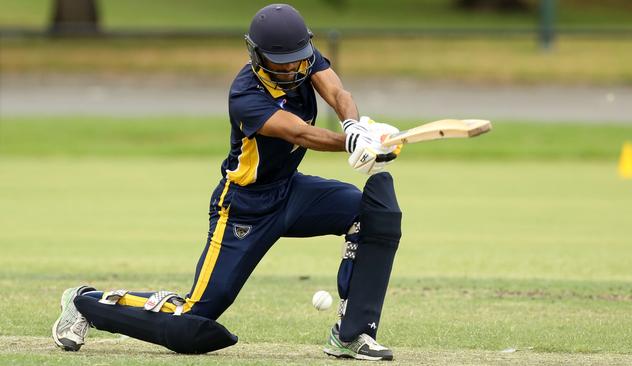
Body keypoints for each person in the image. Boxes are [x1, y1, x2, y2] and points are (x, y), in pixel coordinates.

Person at [52, 4, 403, 361]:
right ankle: (85, 303)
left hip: (291, 191)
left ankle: (352, 333)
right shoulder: (246, 96)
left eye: (299, 59)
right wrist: (353, 143)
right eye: (281, 62)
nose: (293, 69)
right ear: (257, 55)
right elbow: (300, 132)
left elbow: (339, 94)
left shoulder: (301, 60)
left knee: (374, 213)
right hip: (243, 209)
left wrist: (354, 127)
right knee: (191, 321)